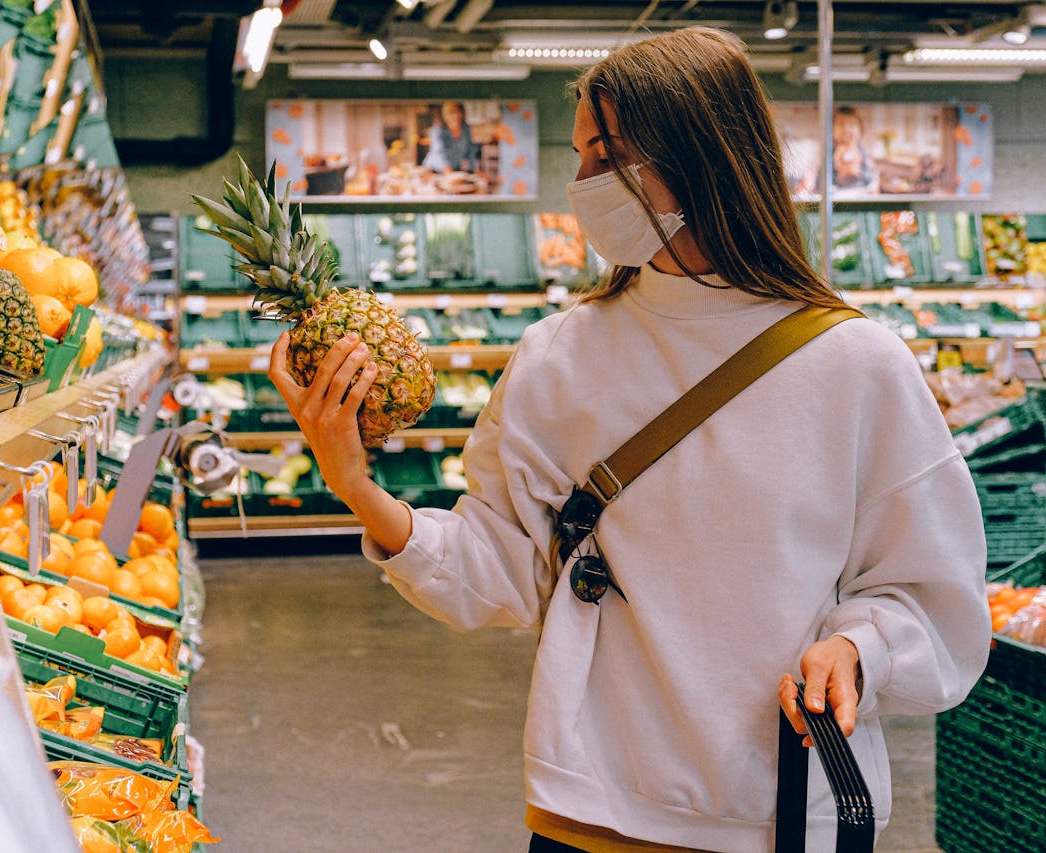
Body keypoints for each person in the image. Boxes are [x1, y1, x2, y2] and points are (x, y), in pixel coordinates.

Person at [268, 27, 990, 853]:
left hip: (785, 809)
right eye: (581, 157)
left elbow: (935, 597)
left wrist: (861, 646)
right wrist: (357, 486)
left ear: (702, 156)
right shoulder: (559, 356)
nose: (580, 185)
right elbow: (500, 569)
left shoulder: (858, 365)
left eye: (605, 156)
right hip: (593, 809)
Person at [421, 100, 481, 173]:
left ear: (462, 113)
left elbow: (470, 151)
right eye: (450, 113)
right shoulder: (438, 130)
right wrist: (447, 170)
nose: (455, 116)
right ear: (444, 115)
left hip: (454, 169)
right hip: (435, 169)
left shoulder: (466, 129)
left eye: (458, 111)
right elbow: (438, 152)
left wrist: (475, 169)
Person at [831, 106, 874, 189]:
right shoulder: (830, 153)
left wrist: (859, 173)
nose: (846, 129)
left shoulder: (862, 152)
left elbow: (869, 177)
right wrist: (838, 176)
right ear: (831, 131)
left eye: (852, 124)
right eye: (841, 124)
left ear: (860, 131)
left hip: (859, 193)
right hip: (836, 195)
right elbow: (820, 180)